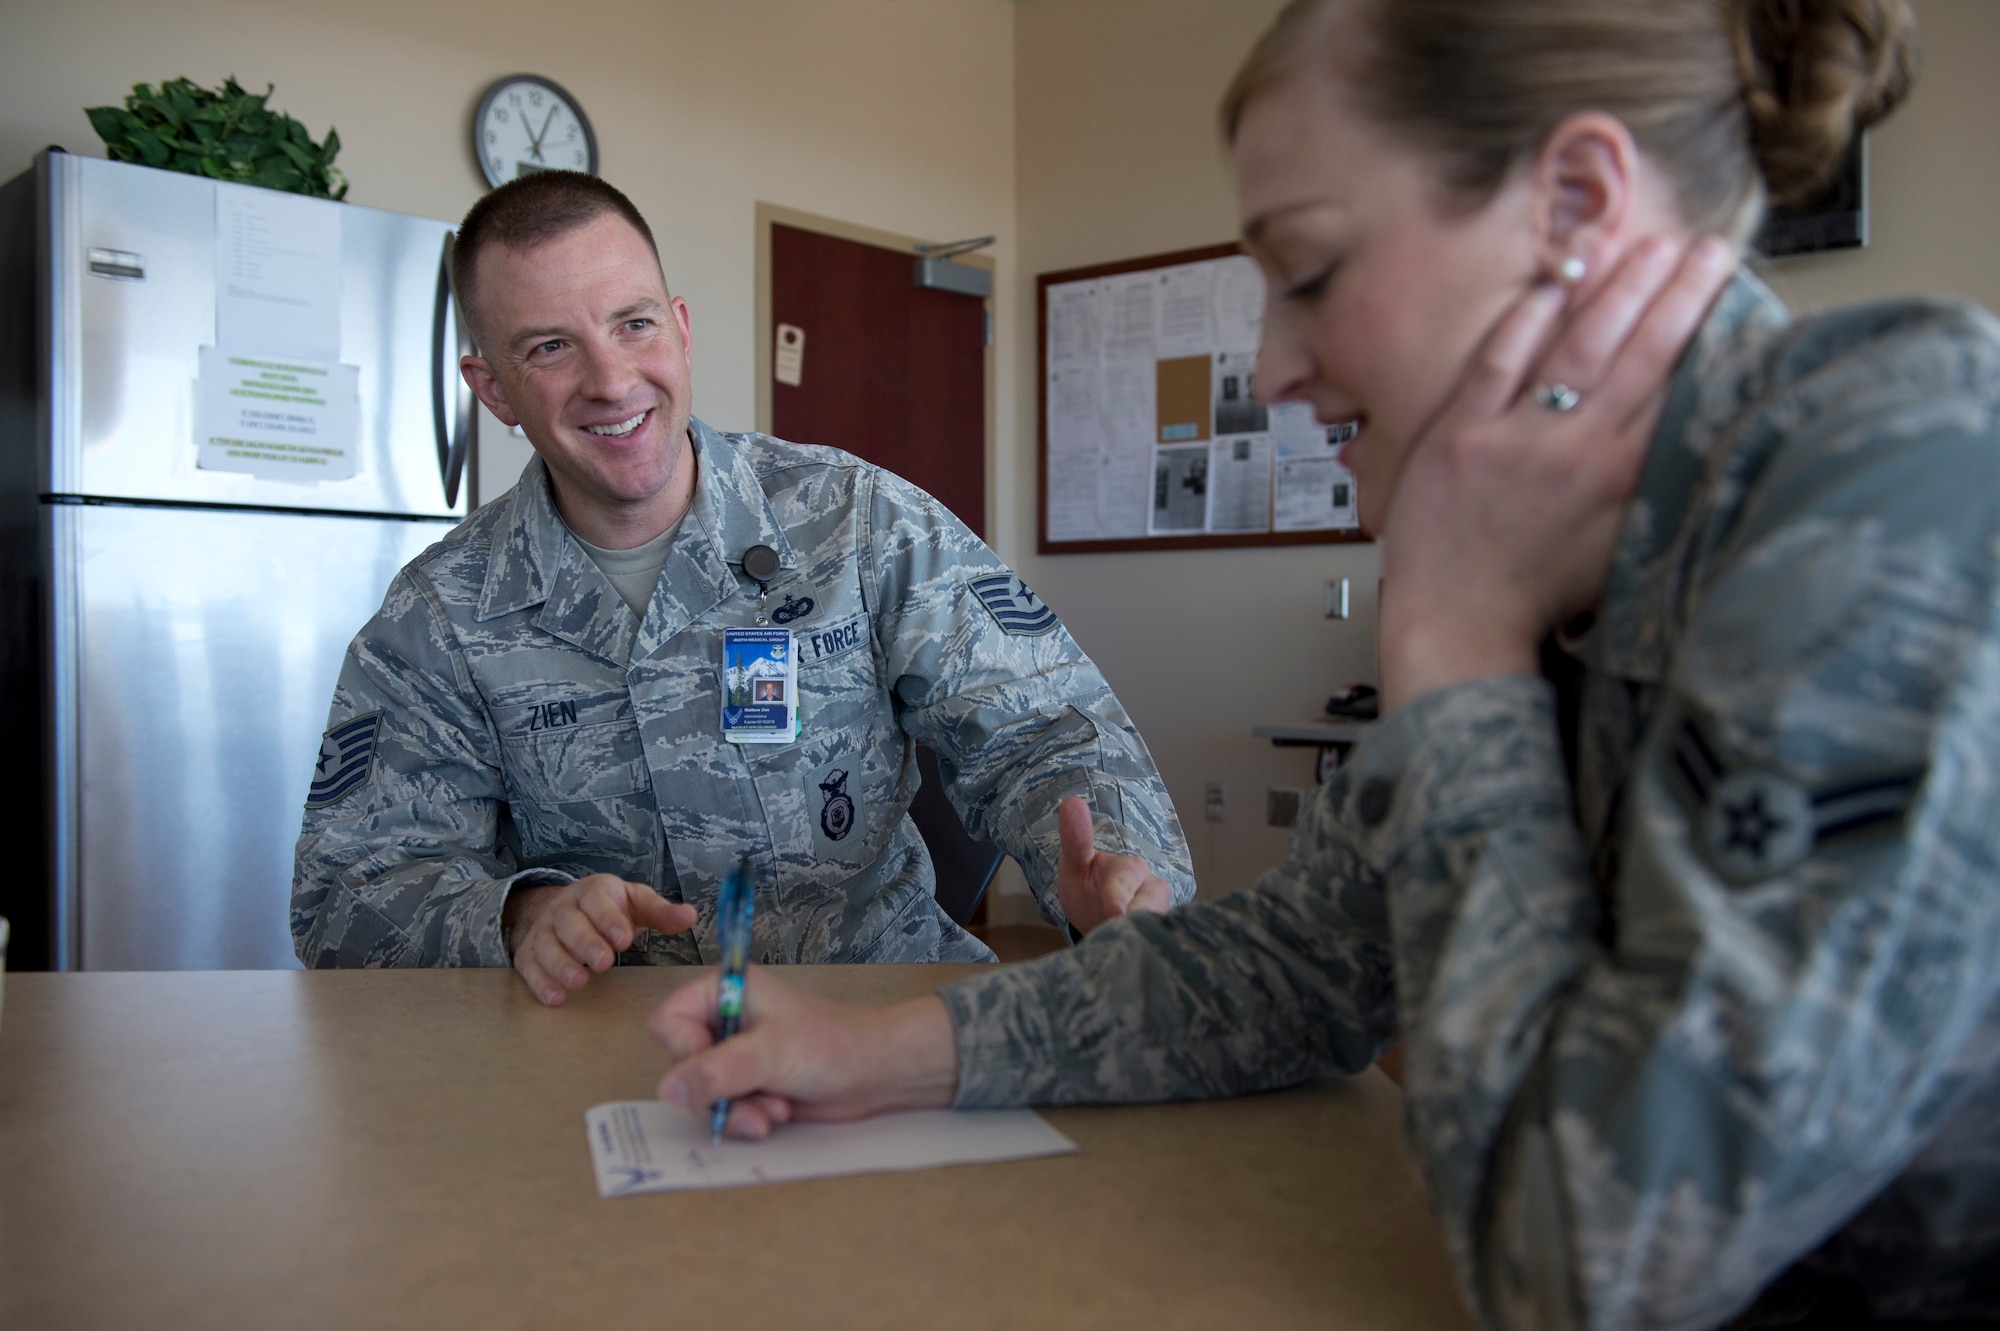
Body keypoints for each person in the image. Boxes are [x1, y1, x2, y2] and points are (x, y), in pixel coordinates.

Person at [650, 0, 2000, 1325]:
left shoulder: (1913, 464)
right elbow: (1298, 960)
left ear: (1579, 205)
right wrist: (871, 1053)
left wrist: (1455, 637)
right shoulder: (1555, 537)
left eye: (1309, 275)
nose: (1279, 366)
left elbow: (1607, 1263)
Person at [291, 171, 1194, 1004]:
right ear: (492, 389)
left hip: (882, 1018)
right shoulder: (441, 615)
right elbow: (347, 895)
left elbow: (1048, 729)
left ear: (681, 328)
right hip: (611, 1051)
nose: (612, 381)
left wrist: (1113, 872)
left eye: (633, 323)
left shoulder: (857, 522)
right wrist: (520, 916)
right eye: (552, 347)